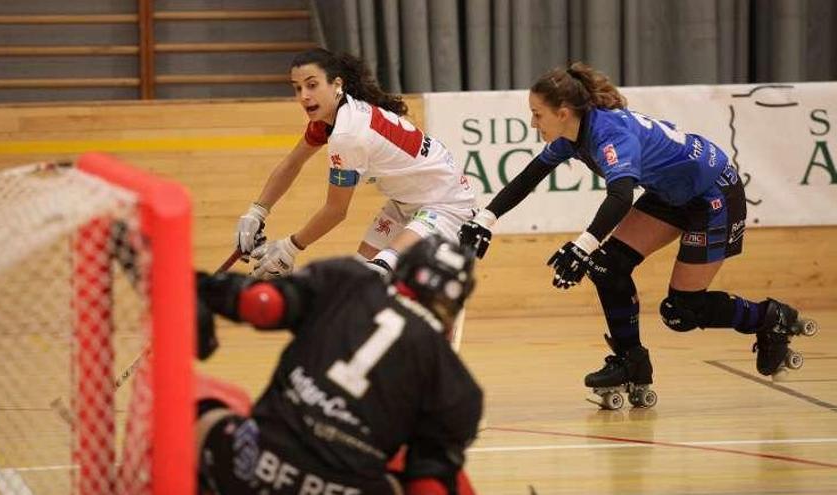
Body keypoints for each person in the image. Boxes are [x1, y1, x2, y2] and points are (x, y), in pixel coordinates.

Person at [459, 62, 817, 409]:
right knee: (607, 267)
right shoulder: (574, 133)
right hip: (672, 193)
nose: (533, 122)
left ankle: (770, 318)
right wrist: (485, 218)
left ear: (564, 112)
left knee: (681, 311)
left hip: (713, 195)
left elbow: (620, 196)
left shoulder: (610, 134)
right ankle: (631, 361)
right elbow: (530, 176)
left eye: (538, 114)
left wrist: (582, 245)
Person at [194, 236, 483, 494]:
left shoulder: (350, 281)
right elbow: (429, 486)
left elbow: (262, 304)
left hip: (253, 468)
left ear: (403, 270)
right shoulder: (460, 388)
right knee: (438, 479)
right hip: (351, 488)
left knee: (207, 410)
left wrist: (197, 286)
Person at [235, 47, 475, 279]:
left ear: (337, 85)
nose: (303, 96)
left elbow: (336, 211)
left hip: (445, 206)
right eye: (297, 88)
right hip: (406, 204)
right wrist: (256, 212)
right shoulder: (332, 117)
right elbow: (292, 164)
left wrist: (290, 247)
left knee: (375, 276)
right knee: (359, 280)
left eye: (312, 85)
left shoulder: (347, 134)